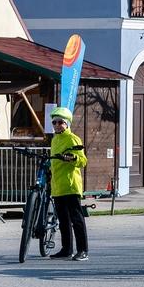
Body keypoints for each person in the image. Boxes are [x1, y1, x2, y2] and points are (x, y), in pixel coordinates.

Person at [48, 107, 89, 261]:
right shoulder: (54, 139)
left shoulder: (73, 139)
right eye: (55, 122)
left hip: (71, 186)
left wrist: (72, 158)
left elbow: (83, 161)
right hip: (58, 186)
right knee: (63, 221)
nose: (57, 125)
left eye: (61, 122)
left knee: (76, 220)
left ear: (67, 124)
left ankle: (83, 250)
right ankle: (66, 249)